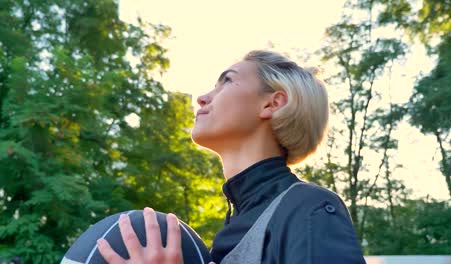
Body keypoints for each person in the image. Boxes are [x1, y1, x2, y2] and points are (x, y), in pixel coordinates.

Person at [97, 50, 366, 263]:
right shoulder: (230, 230)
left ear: (272, 103)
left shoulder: (309, 207)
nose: (202, 98)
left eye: (227, 81)